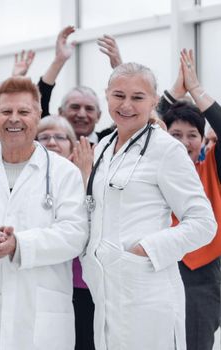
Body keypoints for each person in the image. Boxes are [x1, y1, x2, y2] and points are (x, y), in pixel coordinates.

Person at [81, 62, 216, 350]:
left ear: (154, 101)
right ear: (107, 96)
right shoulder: (103, 149)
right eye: (119, 95)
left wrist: (146, 250)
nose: (126, 105)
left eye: (138, 97)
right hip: (106, 291)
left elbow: (204, 223)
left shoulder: (167, 149)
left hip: (147, 290)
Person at [0, 76, 88, 349]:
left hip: (43, 316)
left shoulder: (63, 172)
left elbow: (75, 234)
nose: (14, 119)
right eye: (6, 112)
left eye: (23, 112)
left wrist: (18, 245)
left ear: (38, 114)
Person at [159, 49, 221, 350]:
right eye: (175, 134)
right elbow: (137, 124)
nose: (184, 143)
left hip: (201, 274)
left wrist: (196, 90)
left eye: (192, 135)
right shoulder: (149, 169)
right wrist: (172, 93)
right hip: (155, 266)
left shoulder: (211, 167)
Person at [36, 115, 95, 350]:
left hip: (82, 284)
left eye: (60, 137)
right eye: (44, 137)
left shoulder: (91, 176)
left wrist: (84, 176)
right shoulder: (26, 179)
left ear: (73, 145)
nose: (51, 142)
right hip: (43, 279)